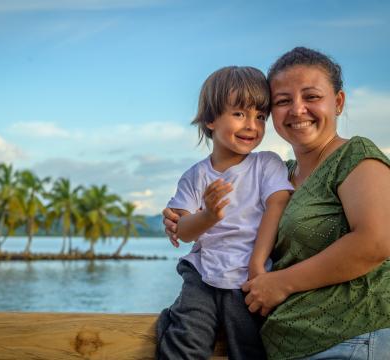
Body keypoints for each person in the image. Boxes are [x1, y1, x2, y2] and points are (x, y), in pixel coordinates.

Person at [163, 47, 390, 359]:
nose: (297, 109)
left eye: (311, 96)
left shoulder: (354, 156)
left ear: (338, 102)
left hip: (352, 340)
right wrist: (190, 220)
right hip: (288, 344)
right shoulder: (282, 173)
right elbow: (209, 223)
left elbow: (375, 242)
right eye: (283, 101)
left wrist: (278, 282)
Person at [156, 66, 293, 360]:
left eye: (260, 116)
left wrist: (257, 265)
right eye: (240, 114)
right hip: (202, 275)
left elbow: (277, 206)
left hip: (249, 277)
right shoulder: (195, 176)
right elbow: (181, 230)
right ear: (209, 119)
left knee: (250, 346)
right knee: (185, 340)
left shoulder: (266, 164)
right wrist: (208, 217)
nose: (252, 125)